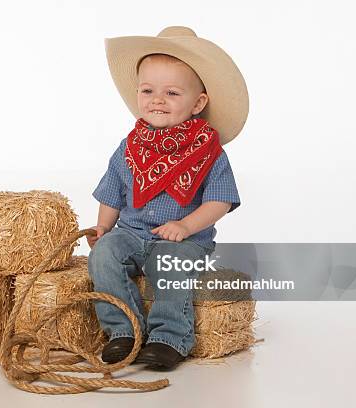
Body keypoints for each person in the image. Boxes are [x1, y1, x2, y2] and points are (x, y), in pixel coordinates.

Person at [87, 26, 249, 370]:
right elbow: (113, 190)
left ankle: (169, 337)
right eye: (148, 90)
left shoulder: (208, 150)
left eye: (172, 93)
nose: (157, 100)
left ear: (198, 103)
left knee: (167, 263)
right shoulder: (130, 146)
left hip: (184, 238)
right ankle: (124, 331)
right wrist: (103, 227)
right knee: (104, 255)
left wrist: (186, 225)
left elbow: (219, 201)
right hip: (132, 233)